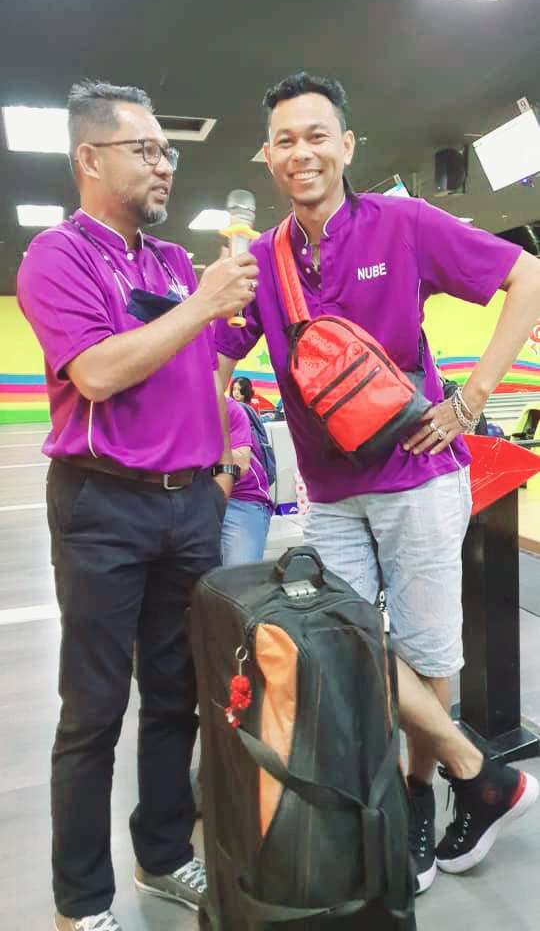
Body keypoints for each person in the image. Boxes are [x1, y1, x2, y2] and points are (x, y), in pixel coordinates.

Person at [215, 71, 540, 895]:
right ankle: (478, 773)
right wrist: (219, 437)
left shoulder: (404, 223)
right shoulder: (263, 260)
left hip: (419, 476)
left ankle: (418, 799)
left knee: (427, 654)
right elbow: (213, 354)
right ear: (268, 157)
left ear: (347, 145)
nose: (302, 152)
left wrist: (470, 402)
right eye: (285, 140)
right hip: (330, 495)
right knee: (344, 643)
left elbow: (528, 279)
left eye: (317, 135)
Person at [17, 79, 257, 931]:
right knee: (93, 710)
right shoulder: (58, 257)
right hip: (103, 508)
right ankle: (81, 903)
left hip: (188, 505)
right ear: (90, 158)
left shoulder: (172, 263)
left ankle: (162, 854)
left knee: (175, 693)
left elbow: (204, 369)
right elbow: (97, 372)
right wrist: (203, 304)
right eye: (145, 149)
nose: (164, 165)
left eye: (168, 151)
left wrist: (221, 466)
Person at [221, 396, 273, 565]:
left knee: (238, 576)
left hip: (241, 498)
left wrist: (192, 444)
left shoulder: (227, 407)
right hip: (187, 500)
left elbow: (240, 464)